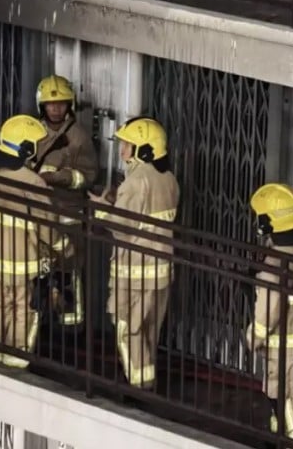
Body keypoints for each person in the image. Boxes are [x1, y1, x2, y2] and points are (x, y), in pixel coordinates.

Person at [89, 116, 179, 389]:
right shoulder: (169, 179)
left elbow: (122, 227)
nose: (122, 151)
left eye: (127, 145)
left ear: (144, 149)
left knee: (127, 329)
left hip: (134, 273)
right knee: (149, 330)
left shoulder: (136, 181)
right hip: (161, 271)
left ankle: (139, 387)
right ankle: (146, 383)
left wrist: (101, 209)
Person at [245, 183, 293, 445]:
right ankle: (279, 434)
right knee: (287, 392)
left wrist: (252, 339)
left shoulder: (275, 268)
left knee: (285, 396)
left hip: (284, 347)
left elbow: (266, 314)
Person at [0, 115, 57, 368]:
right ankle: (16, 359)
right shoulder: (33, 182)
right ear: (26, 148)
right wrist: (63, 248)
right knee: (22, 308)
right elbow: (47, 227)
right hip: (24, 263)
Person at [34, 74, 99, 329]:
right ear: (42, 105)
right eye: (51, 104)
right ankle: (40, 321)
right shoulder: (32, 131)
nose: (55, 108)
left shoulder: (79, 137)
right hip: (39, 213)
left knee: (69, 271)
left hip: (69, 216)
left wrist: (59, 177)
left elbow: (89, 176)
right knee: (39, 270)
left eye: (61, 103)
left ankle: (72, 327)